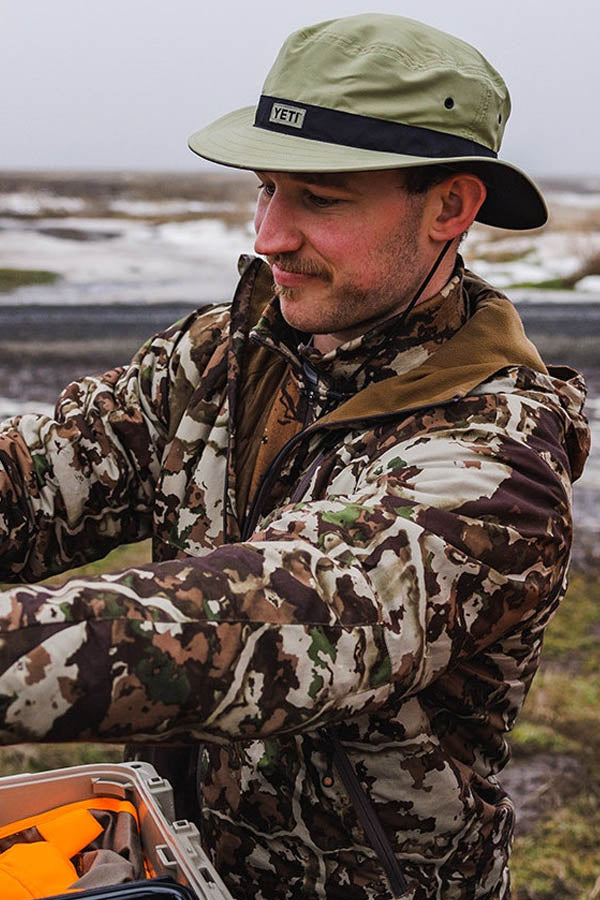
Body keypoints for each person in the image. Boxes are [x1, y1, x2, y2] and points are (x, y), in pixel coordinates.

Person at [0, 13, 590, 900]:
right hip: (175, 863)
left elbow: (284, 616)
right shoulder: (224, 355)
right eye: (268, 189)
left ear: (450, 208)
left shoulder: (498, 461)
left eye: (320, 198)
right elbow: (39, 480)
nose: (269, 235)